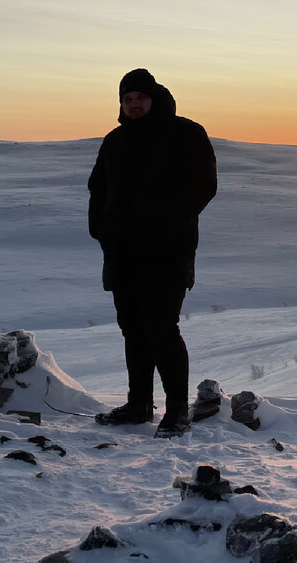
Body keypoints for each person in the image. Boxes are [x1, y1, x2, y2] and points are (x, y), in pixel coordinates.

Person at [88, 68, 217, 437]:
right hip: (123, 252)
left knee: (161, 328)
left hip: (167, 252)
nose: (134, 105)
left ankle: (177, 410)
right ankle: (139, 403)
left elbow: (203, 186)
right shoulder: (115, 141)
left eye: (140, 98)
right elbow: (97, 188)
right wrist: (101, 229)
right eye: (127, 99)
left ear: (155, 98)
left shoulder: (186, 134)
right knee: (133, 330)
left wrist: (166, 224)